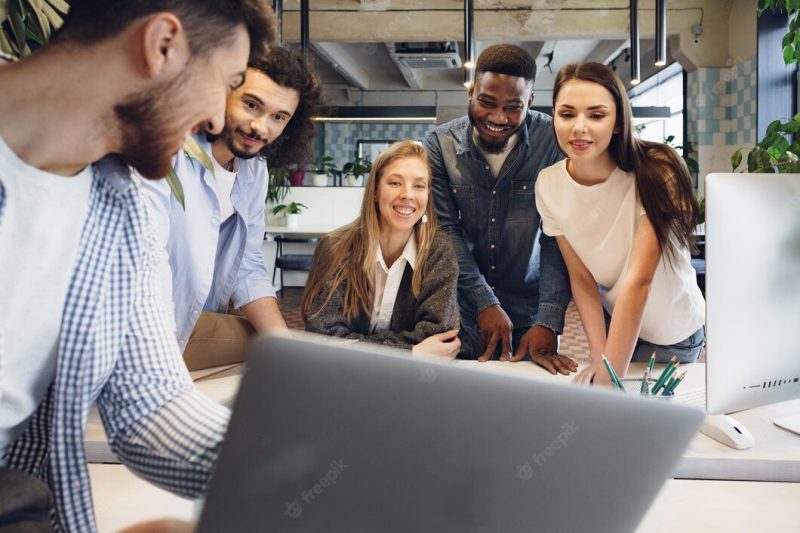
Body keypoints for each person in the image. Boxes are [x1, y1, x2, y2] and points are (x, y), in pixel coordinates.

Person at [0, 0, 276, 530]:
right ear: (161, 45)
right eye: (226, 81)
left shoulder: (123, 210)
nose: (219, 118)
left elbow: (152, 407)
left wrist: (306, 469)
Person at [143, 46, 325, 370]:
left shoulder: (254, 171)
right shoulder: (170, 151)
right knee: (263, 348)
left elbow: (248, 265)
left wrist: (285, 350)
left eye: (278, 117)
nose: (260, 127)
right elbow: (147, 260)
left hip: (200, 317)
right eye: (251, 104)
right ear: (221, 90)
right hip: (149, 330)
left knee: (278, 347)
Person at [535, 62, 705, 386]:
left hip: (674, 331)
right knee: (610, 411)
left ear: (616, 122)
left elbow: (639, 279)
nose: (579, 128)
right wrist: (602, 360)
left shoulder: (657, 169)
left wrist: (609, 376)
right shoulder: (548, 185)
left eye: (596, 115)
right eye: (567, 114)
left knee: (645, 425)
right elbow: (582, 279)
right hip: (621, 326)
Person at [423, 44, 578, 374]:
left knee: (528, 408)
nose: (497, 118)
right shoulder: (439, 144)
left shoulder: (553, 141)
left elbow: (556, 238)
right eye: (486, 102)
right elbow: (445, 230)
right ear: (471, 92)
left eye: (513, 107)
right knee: (459, 406)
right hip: (461, 306)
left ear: (530, 103)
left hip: (530, 310)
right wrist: (483, 301)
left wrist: (549, 320)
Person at [302, 140, 461, 357]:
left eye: (419, 186)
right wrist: (410, 352)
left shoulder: (440, 252)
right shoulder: (335, 247)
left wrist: (356, 346)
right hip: (344, 377)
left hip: (413, 380)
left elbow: (437, 336)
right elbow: (322, 336)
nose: (408, 194)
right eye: (395, 183)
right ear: (375, 191)